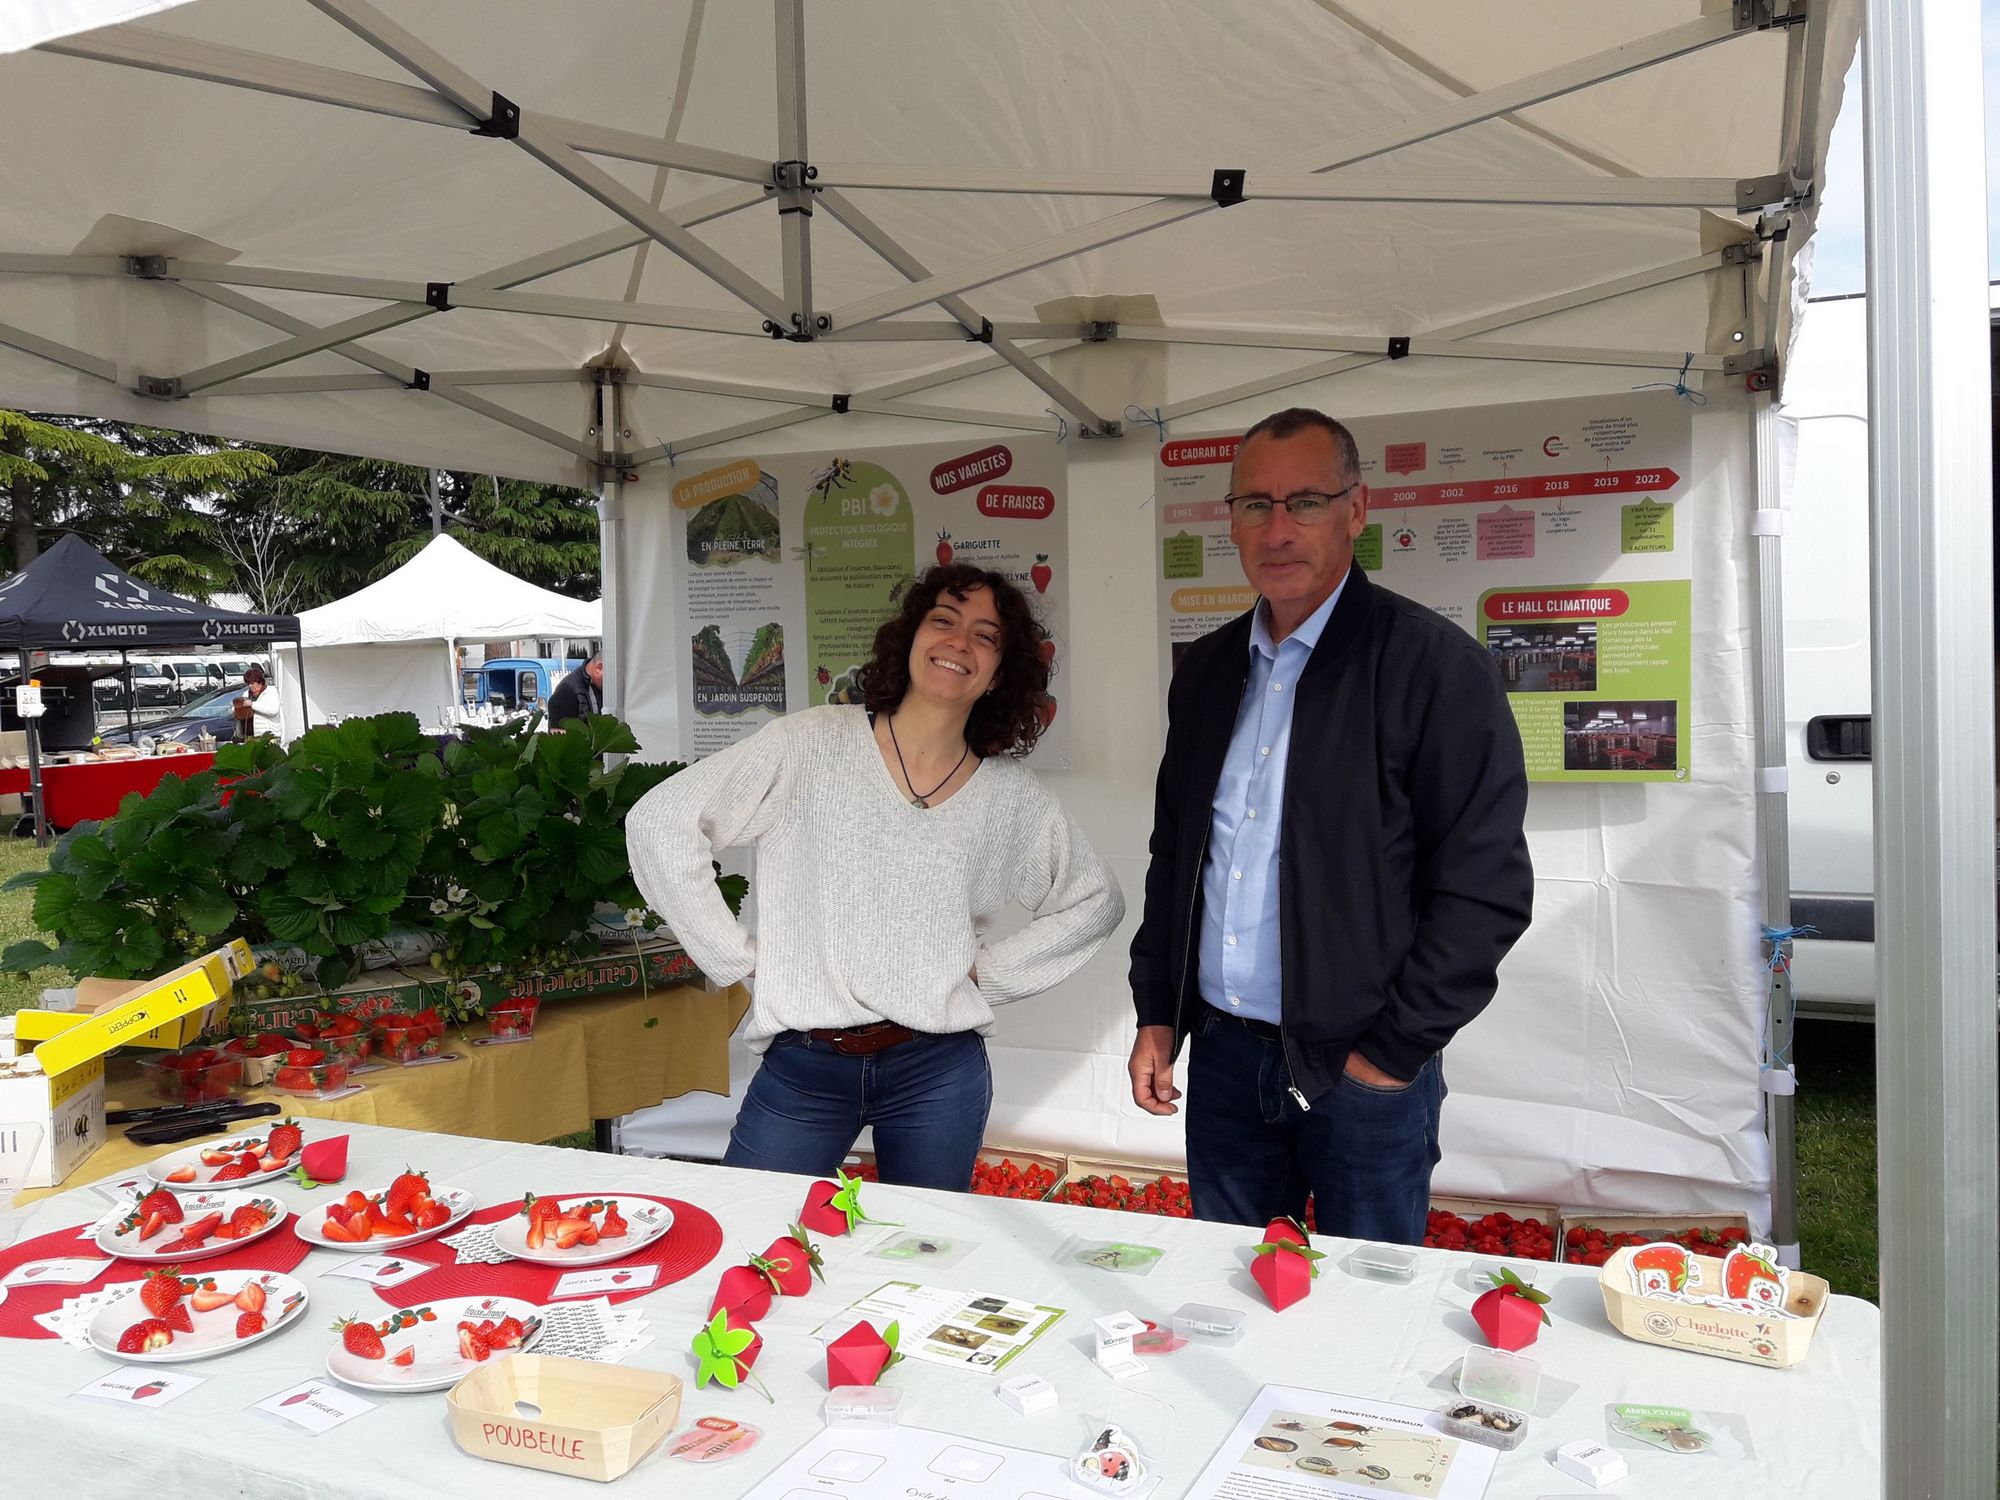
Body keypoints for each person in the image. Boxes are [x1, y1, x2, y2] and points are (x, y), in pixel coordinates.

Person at [1126, 407, 1533, 1243]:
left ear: (1356, 509)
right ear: (1230, 519)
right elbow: (1178, 858)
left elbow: (1485, 888)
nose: (1278, 529)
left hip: (1363, 1070)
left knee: (1369, 1319)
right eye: (1254, 505)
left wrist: (1389, 1054)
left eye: (1304, 502)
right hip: (1229, 1063)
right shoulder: (1205, 673)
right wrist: (1156, 1009)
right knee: (1232, 1301)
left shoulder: (1434, 668)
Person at [628, 564, 1123, 1191]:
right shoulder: (810, 744)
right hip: (805, 1063)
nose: (958, 644)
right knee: (753, 1235)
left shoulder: (1011, 798)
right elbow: (660, 822)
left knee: (920, 1257)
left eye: (985, 635)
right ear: (910, 637)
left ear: (1001, 671)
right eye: (943, 621)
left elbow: (1095, 900)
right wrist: (735, 955)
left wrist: (987, 974)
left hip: (937, 1070)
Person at [547, 651, 603, 726]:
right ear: (599, 668)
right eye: (613, 677)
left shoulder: (598, 687)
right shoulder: (566, 691)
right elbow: (558, 734)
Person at [233, 665, 282, 742]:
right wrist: (236, 708)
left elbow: (273, 710)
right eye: (248, 683)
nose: (250, 686)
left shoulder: (271, 692)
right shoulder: (246, 694)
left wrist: (252, 704)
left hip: (268, 737)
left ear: (260, 682)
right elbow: (236, 712)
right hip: (249, 736)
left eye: (252, 683)